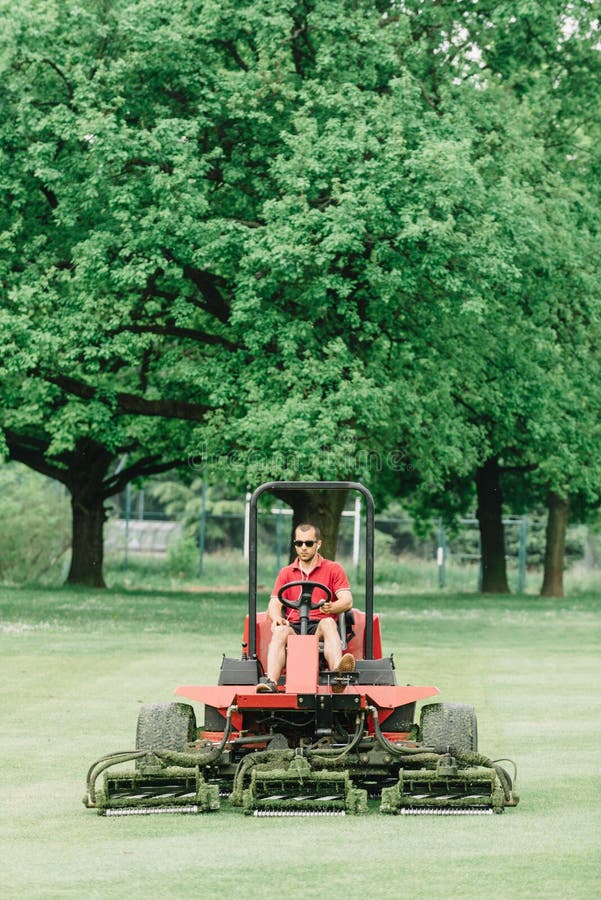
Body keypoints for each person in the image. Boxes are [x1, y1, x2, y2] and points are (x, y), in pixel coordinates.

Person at [256, 522, 355, 693]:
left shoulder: (333, 569)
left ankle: (338, 677)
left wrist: (332, 607)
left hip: (320, 627)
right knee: (280, 631)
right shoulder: (286, 573)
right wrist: (277, 617)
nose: (303, 548)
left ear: (318, 544)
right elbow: (274, 603)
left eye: (309, 543)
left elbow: (347, 600)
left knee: (329, 624)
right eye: (299, 543)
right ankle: (271, 681)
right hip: (293, 626)